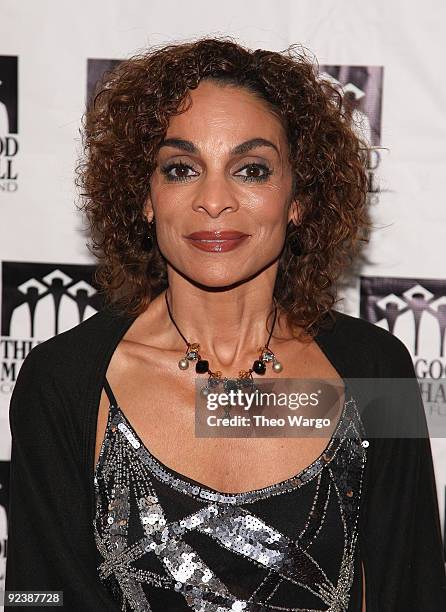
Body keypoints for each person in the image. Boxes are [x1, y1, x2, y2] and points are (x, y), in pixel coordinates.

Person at [5, 36, 446, 612]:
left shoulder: (374, 370)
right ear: (145, 195)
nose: (214, 200)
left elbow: (411, 589)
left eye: (252, 169)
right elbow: (39, 598)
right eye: (182, 168)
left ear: (298, 197)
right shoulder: (64, 382)